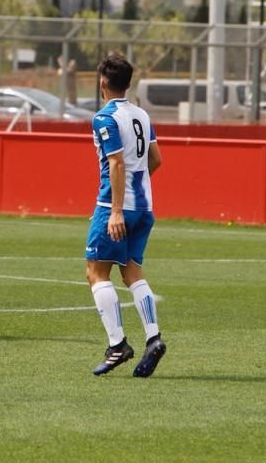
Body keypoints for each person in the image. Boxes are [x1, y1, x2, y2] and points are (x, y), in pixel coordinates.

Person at [86, 54, 166, 378]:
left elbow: (116, 163)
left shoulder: (104, 118)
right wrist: (138, 188)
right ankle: (153, 338)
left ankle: (117, 344)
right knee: (132, 273)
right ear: (128, 82)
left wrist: (117, 210)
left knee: (95, 273)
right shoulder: (142, 115)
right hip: (145, 208)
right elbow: (156, 159)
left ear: (102, 82)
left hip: (112, 207)